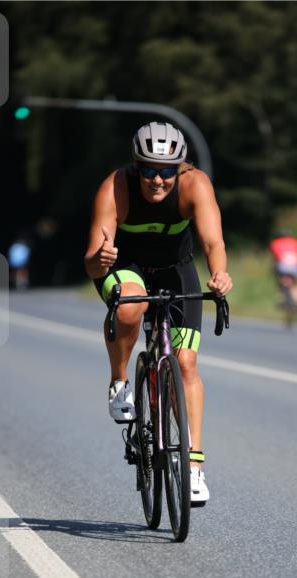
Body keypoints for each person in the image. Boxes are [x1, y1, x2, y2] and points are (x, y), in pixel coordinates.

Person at [84, 121, 232, 505]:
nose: (157, 180)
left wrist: (219, 274)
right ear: (136, 167)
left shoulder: (195, 184)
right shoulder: (115, 187)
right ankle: (119, 382)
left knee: (186, 364)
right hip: (126, 267)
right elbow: (92, 261)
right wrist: (101, 261)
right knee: (134, 306)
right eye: (148, 169)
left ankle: (194, 467)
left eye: (167, 171)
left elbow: (213, 240)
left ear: (180, 169)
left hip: (175, 269)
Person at [269, 230, 297, 315]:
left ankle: (282, 299)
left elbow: (275, 258)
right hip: (296, 266)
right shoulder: (296, 242)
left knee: (281, 282)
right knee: (295, 285)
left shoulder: (275, 243)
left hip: (283, 266)